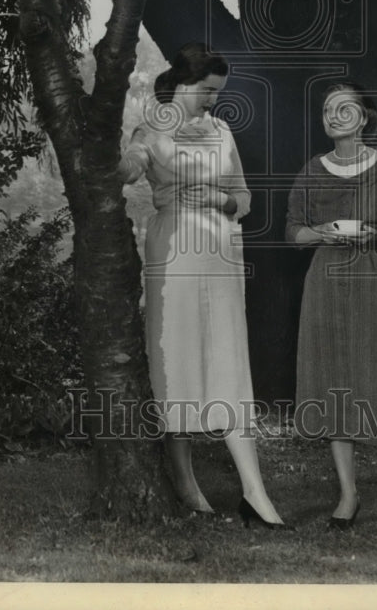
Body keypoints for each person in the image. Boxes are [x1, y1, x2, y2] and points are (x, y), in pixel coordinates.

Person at [118, 42, 285, 528]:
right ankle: (186, 483)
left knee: (228, 358)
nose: (214, 100)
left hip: (222, 248)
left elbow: (244, 196)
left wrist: (223, 200)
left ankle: (255, 492)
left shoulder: (222, 130)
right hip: (173, 247)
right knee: (176, 354)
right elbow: (128, 170)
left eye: (220, 92)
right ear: (185, 82)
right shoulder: (151, 127)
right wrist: (112, 156)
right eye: (209, 91)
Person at [285, 82, 377, 528]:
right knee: (331, 381)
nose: (334, 115)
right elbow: (293, 232)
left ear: (364, 118)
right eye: (327, 108)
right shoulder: (311, 170)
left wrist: (376, 235)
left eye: (345, 108)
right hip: (324, 281)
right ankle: (348, 495)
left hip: (372, 276)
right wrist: (319, 233)